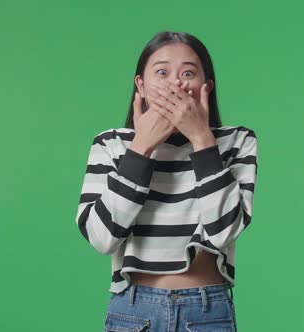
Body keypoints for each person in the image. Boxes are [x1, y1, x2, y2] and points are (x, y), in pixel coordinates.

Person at [75, 30, 259, 331]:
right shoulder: (111, 144)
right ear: (141, 86)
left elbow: (224, 231)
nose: (176, 82)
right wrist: (140, 149)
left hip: (207, 310)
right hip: (133, 310)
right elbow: (102, 238)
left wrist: (202, 139)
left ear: (206, 87)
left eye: (188, 72)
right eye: (162, 71)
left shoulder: (236, 142)